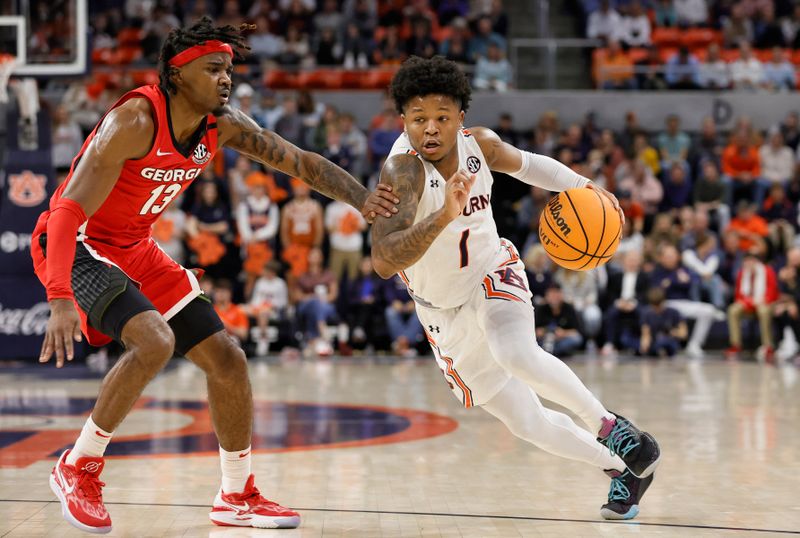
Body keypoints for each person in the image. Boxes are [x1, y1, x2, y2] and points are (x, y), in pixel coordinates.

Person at [32, 17, 399, 533]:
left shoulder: (220, 124)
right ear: (178, 75)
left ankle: (235, 495)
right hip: (77, 245)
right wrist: (59, 294)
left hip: (135, 247)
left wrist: (363, 200)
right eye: (213, 69)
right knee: (154, 342)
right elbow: (68, 211)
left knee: (227, 359)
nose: (226, 79)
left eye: (229, 68)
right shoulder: (135, 120)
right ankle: (78, 465)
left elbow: (299, 162)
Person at [370, 56, 660, 521]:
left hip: (491, 271)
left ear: (460, 118)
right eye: (419, 118)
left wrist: (587, 187)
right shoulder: (401, 175)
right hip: (442, 312)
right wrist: (443, 212)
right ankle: (625, 468)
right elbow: (384, 262)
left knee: (515, 352)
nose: (430, 129)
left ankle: (611, 426)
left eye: (442, 118)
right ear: (402, 120)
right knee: (528, 423)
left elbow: (529, 167)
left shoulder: (479, 145)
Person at [726, 250, 779, 362]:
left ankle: (768, 346)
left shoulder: (767, 271)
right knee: (733, 310)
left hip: (764, 302)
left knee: (763, 311)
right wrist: (748, 301)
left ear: (755, 261)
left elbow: (773, 292)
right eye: (746, 262)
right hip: (748, 303)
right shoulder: (742, 273)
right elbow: (738, 294)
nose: (748, 264)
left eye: (750, 261)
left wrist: (761, 300)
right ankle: (736, 345)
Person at [639, 287, 687, 358]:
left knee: (665, 342)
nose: (657, 309)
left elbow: (684, 334)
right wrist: (644, 345)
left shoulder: (674, 312)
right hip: (655, 342)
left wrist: (673, 332)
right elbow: (646, 333)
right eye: (654, 306)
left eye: (659, 306)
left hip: (670, 341)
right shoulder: (647, 313)